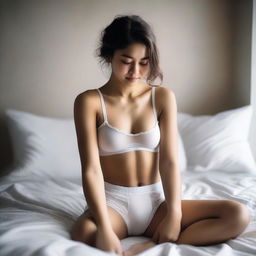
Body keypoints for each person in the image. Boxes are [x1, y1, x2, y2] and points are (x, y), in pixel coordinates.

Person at [70, 15, 251, 256]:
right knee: (82, 233)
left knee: (237, 215)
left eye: (144, 62)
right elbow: (91, 169)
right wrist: (103, 226)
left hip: (156, 205)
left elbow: (169, 161)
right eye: (127, 61)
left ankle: (155, 244)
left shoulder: (163, 97)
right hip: (113, 204)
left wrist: (174, 214)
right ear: (109, 55)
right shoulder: (89, 102)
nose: (136, 70)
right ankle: (146, 238)